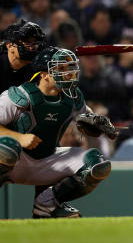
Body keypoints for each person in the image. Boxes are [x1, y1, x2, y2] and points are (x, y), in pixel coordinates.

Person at [0, 46, 114, 218]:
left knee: (97, 165)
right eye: (61, 69)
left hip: (47, 160)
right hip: (15, 160)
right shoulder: (18, 96)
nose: (69, 73)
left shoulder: (73, 97)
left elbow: (85, 117)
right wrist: (19, 137)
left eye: (70, 67)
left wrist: (96, 122)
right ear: (43, 74)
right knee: (8, 148)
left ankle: (46, 205)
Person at [0, 19, 47, 93]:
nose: (32, 48)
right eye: (27, 43)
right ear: (10, 46)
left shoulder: (36, 70)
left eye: (35, 43)